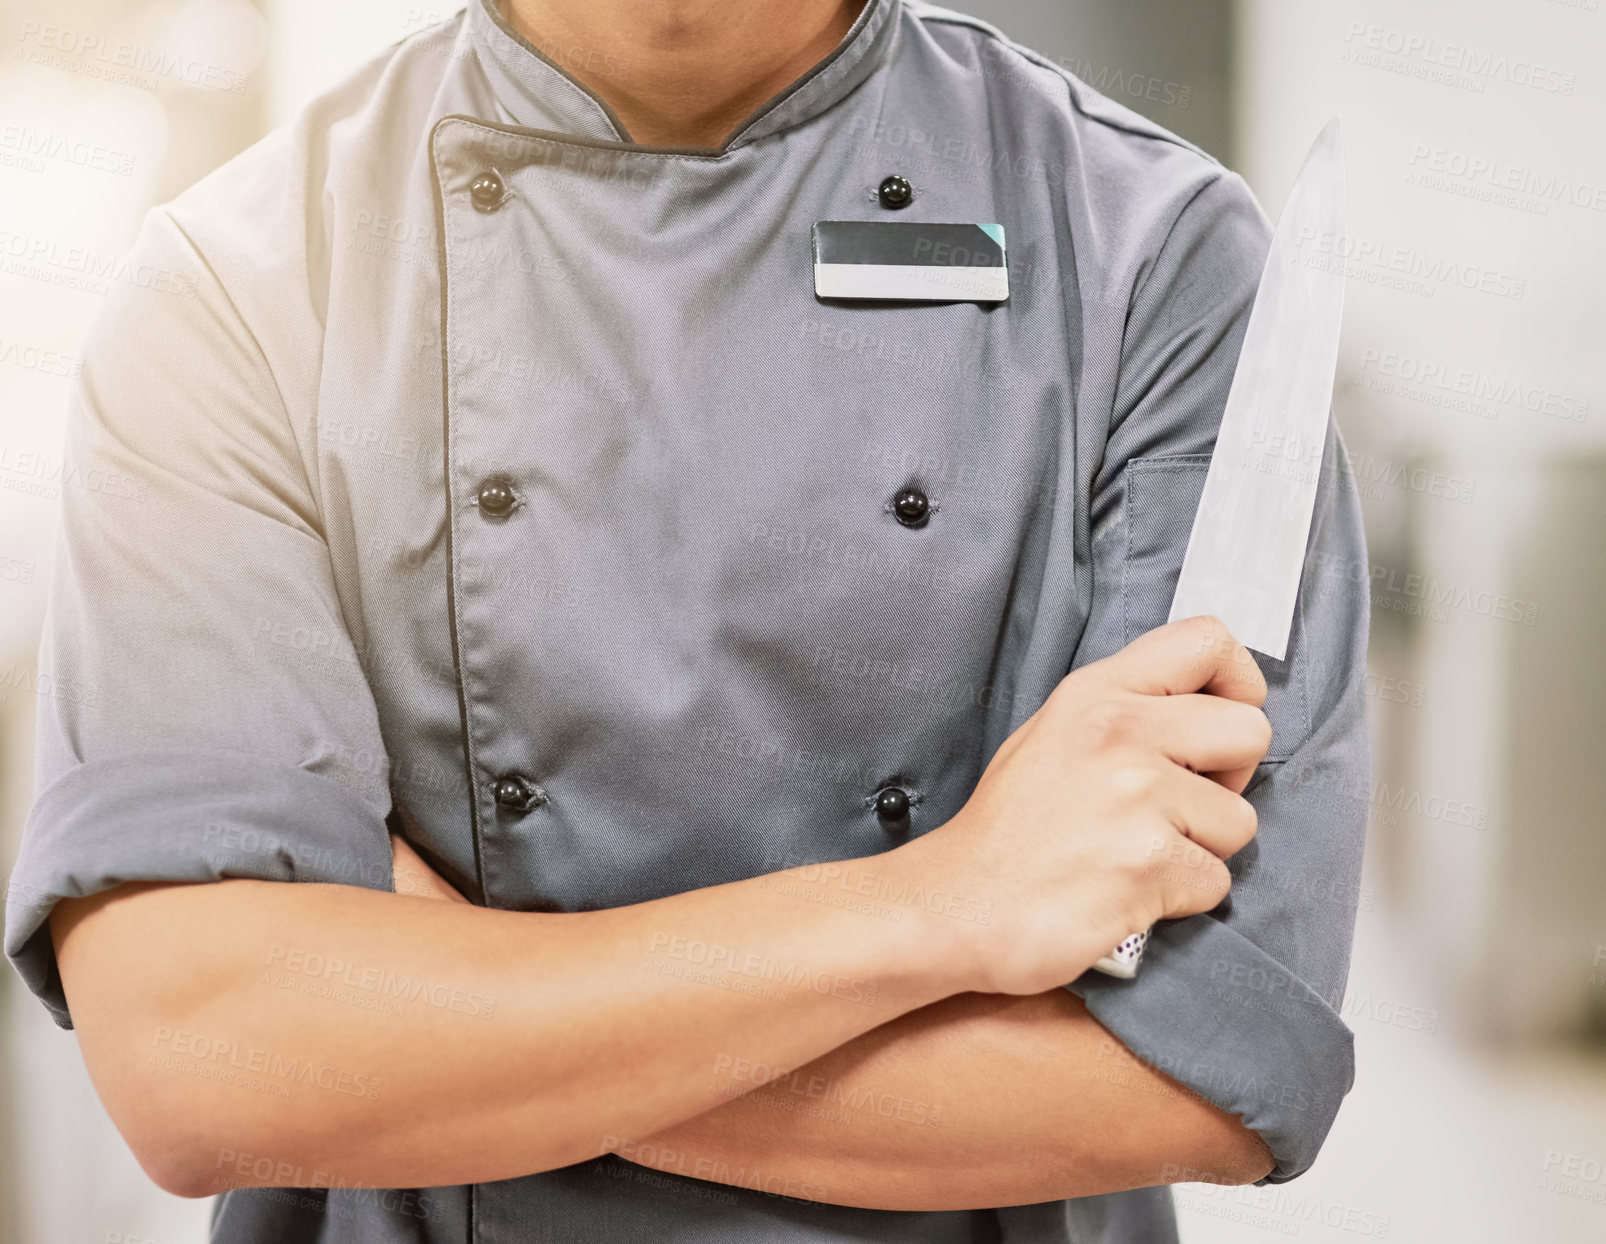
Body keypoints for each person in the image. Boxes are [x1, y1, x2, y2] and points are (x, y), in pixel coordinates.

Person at [3, 0, 1372, 1240]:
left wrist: (419, 1022)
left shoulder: (1156, 261)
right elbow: (202, 1062)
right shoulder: (233, 292)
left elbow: (1195, 1070)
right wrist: (935, 911)